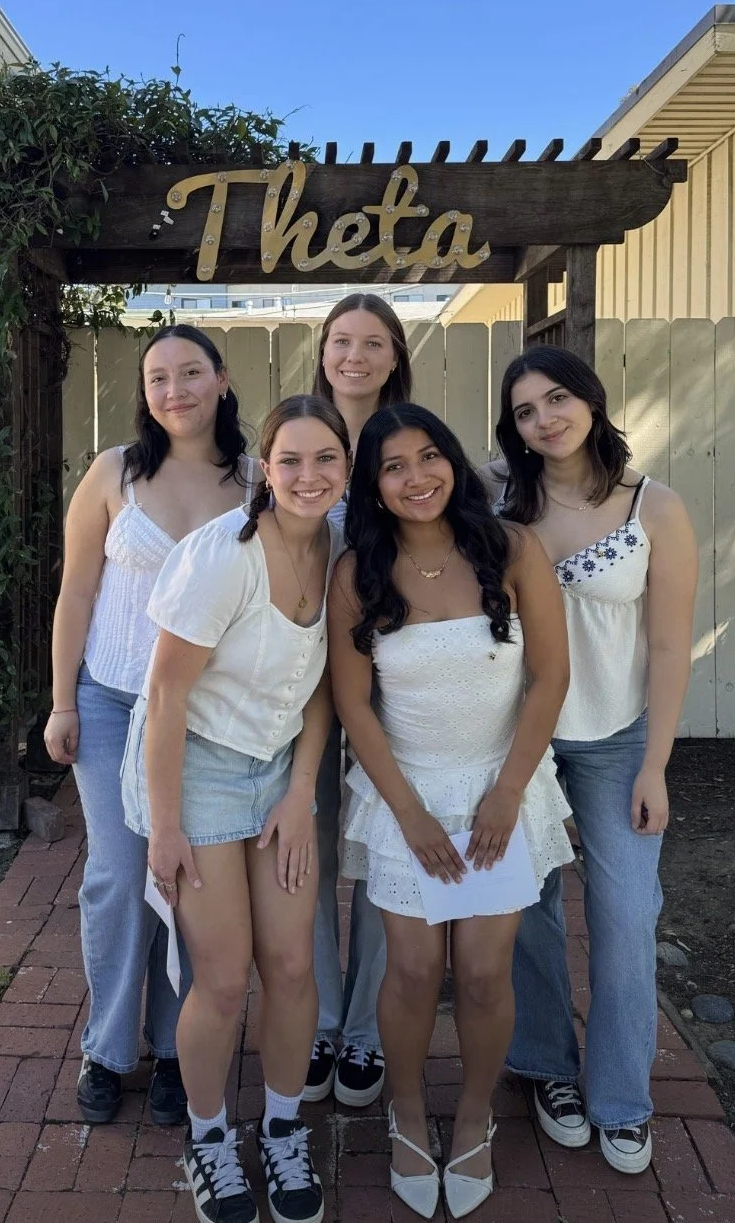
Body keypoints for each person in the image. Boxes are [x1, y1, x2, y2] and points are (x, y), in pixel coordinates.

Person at [330, 404, 573, 1219]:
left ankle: (472, 1119)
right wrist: (409, 813)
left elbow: (550, 676)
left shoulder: (512, 549)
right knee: (408, 971)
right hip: (405, 796)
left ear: (453, 461)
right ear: (373, 485)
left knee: (480, 972)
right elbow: (353, 704)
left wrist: (507, 791)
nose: (416, 478)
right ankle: (405, 1114)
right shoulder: (357, 571)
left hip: (500, 791)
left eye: (429, 456)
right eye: (393, 466)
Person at [121, 394, 351, 1223]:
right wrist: (166, 826)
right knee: (222, 980)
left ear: (346, 467)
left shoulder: (339, 548)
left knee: (291, 967)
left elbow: (323, 683)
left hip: (279, 769)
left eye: (326, 459)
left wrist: (300, 790)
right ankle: (210, 1136)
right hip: (199, 770)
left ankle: (283, 1128)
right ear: (264, 468)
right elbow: (166, 695)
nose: (308, 476)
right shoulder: (225, 556)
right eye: (290, 460)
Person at [482, 345, 697, 1176]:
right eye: (525, 411)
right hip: (520, 739)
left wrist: (656, 765)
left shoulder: (655, 507)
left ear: (592, 400)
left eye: (557, 399)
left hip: (618, 739)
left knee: (627, 916)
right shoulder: (502, 500)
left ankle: (621, 1098)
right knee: (529, 911)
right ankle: (545, 1067)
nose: (545, 419)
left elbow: (670, 645)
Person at [45, 324, 256, 1128]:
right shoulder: (114, 474)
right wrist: (62, 702)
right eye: (159, 377)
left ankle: (174, 1047)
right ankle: (106, 1049)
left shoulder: (255, 481)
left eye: (191, 372)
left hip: (202, 716)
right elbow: (76, 592)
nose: (176, 390)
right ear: (145, 391)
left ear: (221, 380)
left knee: (186, 876)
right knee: (118, 873)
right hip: (110, 702)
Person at [305, 293, 412, 1111]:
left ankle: (366, 1030)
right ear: (323, 351)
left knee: (381, 844)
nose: (355, 356)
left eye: (373, 342)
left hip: (391, 675)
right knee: (304, 847)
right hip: (298, 678)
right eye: (342, 340)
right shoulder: (299, 435)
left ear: (395, 355)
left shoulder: (407, 444)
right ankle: (317, 1018)